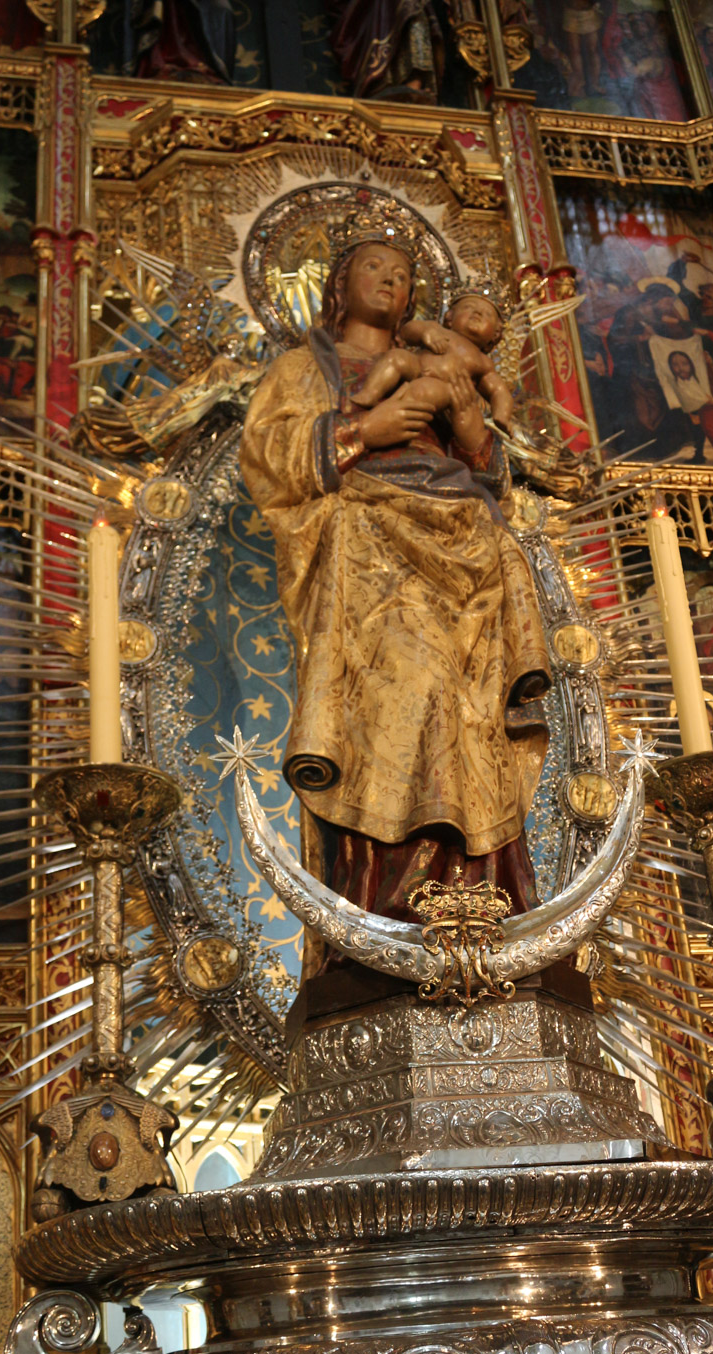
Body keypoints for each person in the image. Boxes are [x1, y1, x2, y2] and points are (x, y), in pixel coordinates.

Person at [239, 205, 551, 940]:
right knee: (402, 698)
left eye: (404, 273)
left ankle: (484, 906)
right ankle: (390, 909)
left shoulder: (445, 365)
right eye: (374, 267)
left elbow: (491, 472)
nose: (391, 279)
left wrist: (473, 431)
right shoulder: (300, 369)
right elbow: (267, 457)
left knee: (468, 714)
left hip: (461, 556)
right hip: (365, 564)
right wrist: (359, 432)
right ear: (339, 287)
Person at [350, 282, 514, 430]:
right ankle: (370, 393)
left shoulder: (483, 362)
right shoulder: (436, 329)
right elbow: (407, 330)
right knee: (396, 357)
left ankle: (390, 418)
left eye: (487, 314)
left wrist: (502, 416)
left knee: (422, 392)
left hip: (442, 386)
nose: (477, 312)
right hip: (415, 364)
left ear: (495, 334)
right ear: (449, 317)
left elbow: (498, 390)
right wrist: (426, 333)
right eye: (468, 307)